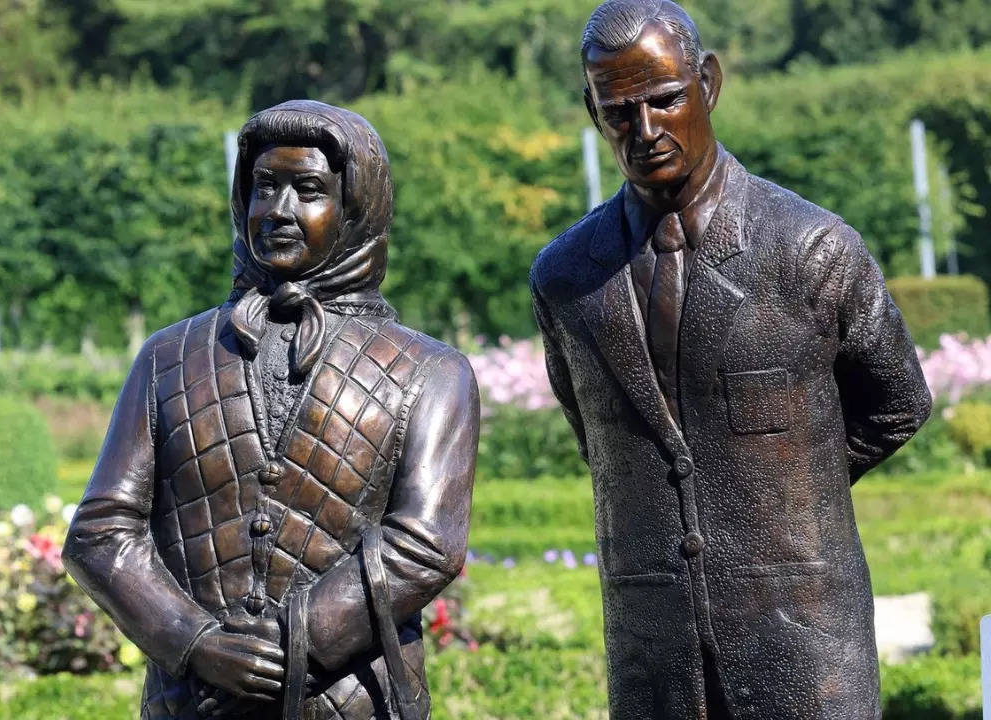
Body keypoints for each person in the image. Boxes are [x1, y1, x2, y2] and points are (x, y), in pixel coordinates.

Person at [529, 2, 932, 718]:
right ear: (593, 114)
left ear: (707, 84)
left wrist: (788, 486)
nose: (645, 131)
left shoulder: (810, 249)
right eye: (620, 112)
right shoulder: (566, 279)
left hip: (805, 641)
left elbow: (899, 400)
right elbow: (600, 439)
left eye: (665, 100)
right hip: (652, 651)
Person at [63, 100, 479, 720]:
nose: (279, 210)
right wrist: (194, 642)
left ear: (355, 207)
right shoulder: (166, 357)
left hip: (352, 701)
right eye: (264, 187)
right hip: (192, 703)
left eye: (307, 189)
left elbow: (426, 544)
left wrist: (296, 640)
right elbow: (100, 533)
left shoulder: (432, 372)